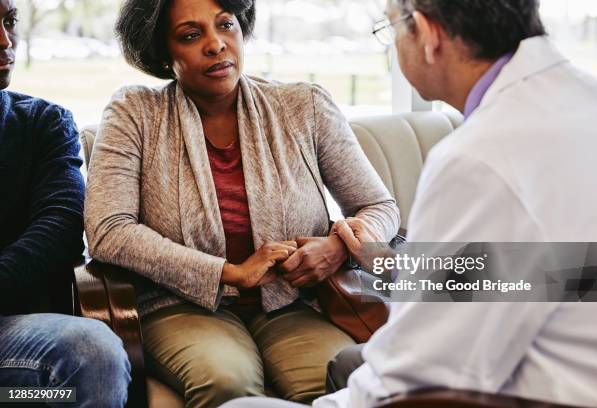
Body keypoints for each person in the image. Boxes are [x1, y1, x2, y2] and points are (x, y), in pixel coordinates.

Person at [220, 0, 597, 407]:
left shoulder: (478, 158)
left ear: (425, 34)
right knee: (350, 364)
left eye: (389, 29)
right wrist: (386, 261)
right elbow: (558, 270)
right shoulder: (592, 103)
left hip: (544, 391)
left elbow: (414, 380)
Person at [84, 0, 400, 406]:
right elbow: (110, 231)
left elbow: (378, 206)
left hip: (293, 304)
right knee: (226, 383)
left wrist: (338, 248)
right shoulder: (134, 114)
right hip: (181, 307)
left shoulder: (304, 106)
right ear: (163, 51)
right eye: (191, 35)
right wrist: (230, 273)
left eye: (226, 25)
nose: (216, 45)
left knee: (344, 380)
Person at [0, 0, 131, 406]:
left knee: (91, 351)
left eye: (9, 21)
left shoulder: (44, 123)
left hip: (15, 350)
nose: (5, 41)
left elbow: (60, 227)